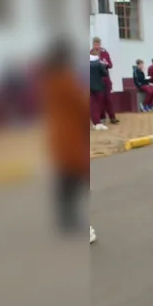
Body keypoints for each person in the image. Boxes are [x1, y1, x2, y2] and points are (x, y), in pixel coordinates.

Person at [42, 38, 89, 239]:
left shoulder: (47, 78)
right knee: (73, 177)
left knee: (65, 177)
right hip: (71, 134)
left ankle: (64, 219)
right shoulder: (65, 78)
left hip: (57, 133)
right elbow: (81, 104)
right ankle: (68, 220)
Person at [91, 37, 119, 124]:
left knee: (108, 99)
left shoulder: (104, 52)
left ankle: (112, 117)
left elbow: (110, 65)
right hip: (96, 80)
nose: (97, 46)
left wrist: (105, 64)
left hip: (105, 79)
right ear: (93, 44)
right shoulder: (90, 53)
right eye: (95, 44)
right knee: (98, 100)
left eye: (98, 44)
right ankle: (100, 117)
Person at [89, 50, 109, 131]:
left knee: (92, 105)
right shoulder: (99, 64)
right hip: (98, 87)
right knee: (98, 105)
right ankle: (97, 123)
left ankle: (95, 122)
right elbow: (105, 73)